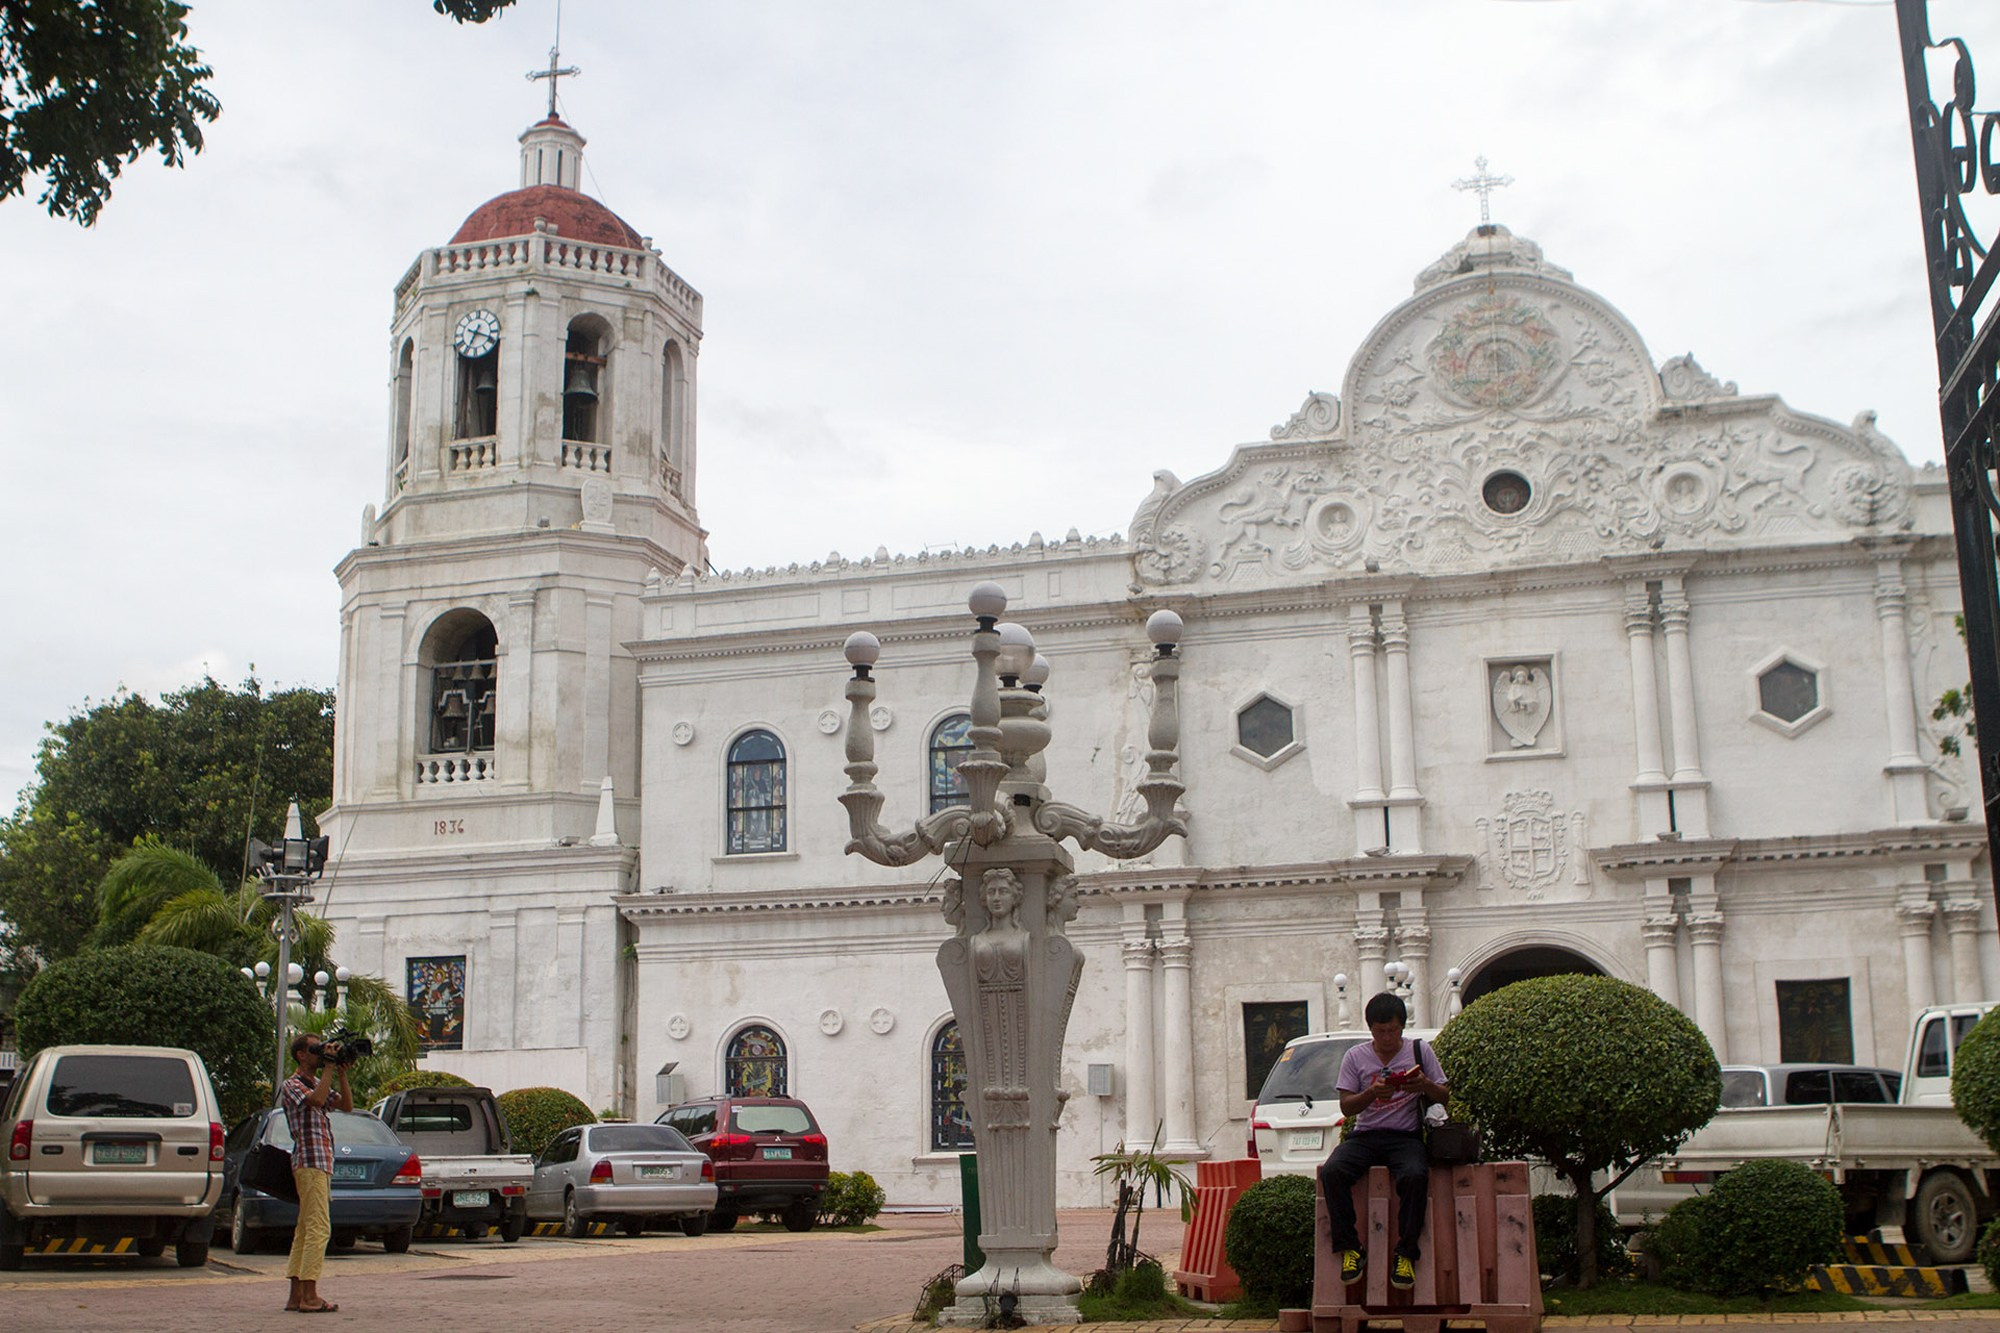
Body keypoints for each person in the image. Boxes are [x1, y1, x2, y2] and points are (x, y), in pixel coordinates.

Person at [1316, 991, 1447, 1292]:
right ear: (1371, 1029)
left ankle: (1406, 1254)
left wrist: (1424, 1084)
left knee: (1414, 1175)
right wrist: (1371, 1093)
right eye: (1380, 1031)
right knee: (1333, 1172)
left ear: (1402, 1027)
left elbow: (1444, 1095)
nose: (1387, 1037)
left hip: (1405, 1135)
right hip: (1366, 1134)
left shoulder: (1419, 1050)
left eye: (1393, 1030)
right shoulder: (1355, 1057)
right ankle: (1351, 1249)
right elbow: (1347, 1107)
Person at [280, 1030, 352, 1314]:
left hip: (319, 1162)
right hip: (310, 1161)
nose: (320, 1054)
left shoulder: (314, 1082)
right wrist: (330, 1068)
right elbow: (317, 1101)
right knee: (320, 1228)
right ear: (300, 1055)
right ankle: (309, 1296)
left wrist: (341, 1074)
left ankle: (296, 1295)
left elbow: (347, 1106)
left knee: (306, 1229)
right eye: (315, 1049)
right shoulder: (293, 1084)